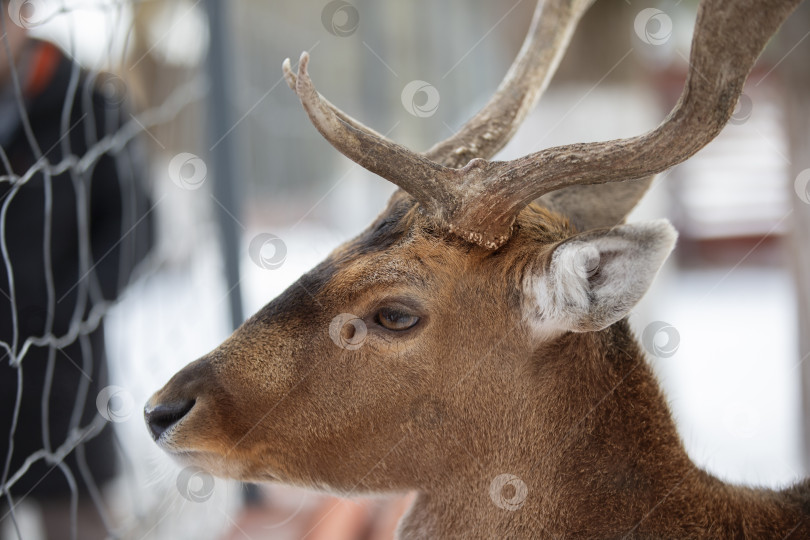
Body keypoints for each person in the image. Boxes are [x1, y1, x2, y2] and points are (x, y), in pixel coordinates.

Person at [0, 12, 152, 540]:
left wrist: (64, 310)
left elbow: (135, 227)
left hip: (59, 364)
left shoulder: (87, 102)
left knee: (76, 520)